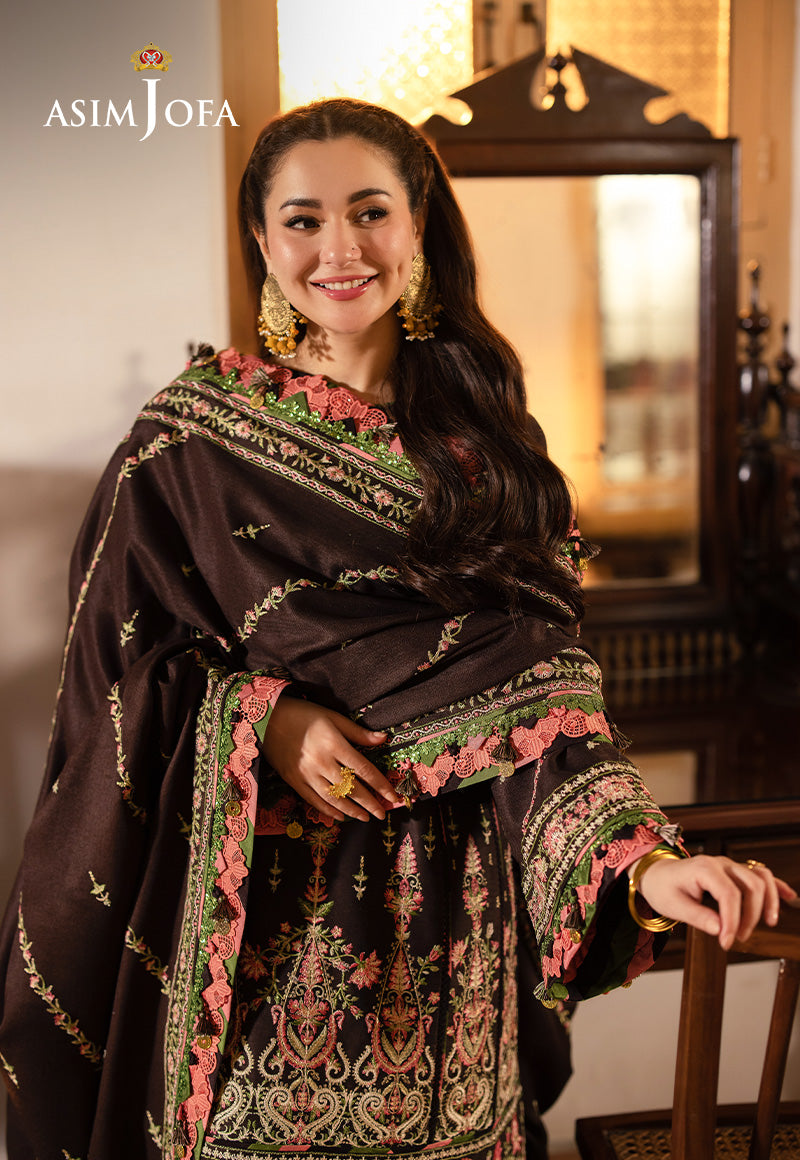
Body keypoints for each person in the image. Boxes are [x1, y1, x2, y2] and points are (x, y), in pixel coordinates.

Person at [0, 98, 794, 1160]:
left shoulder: (491, 456)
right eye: (303, 220)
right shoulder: (189, 445)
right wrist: (266, 718)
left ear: (418, 226)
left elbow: (542, 710)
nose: (340, 249)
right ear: (262, 241)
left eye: (370, 212)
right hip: (258, 936)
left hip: (454, 930)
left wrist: (647, 866)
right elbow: (117, 673)